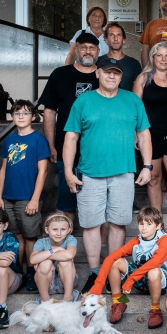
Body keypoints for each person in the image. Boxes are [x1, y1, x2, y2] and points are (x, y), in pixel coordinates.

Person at [63, 57, 153, 293]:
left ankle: (113, 269)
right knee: (91, 224)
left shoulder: (132, 100)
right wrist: (68, 171)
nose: (111, 76)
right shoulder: (84, 101)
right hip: (90, 172)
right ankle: (95, 273)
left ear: (121, 77)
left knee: (118, 223)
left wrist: (147, 166)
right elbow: (71, 137)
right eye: (107, 72)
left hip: (123, 172)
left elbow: (144, 135)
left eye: (116, 73)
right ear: (97, 73)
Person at [39, 32, 100, 216]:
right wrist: (50, 145)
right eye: (83, 47)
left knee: (97, 202)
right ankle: (66, 233)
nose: (87, 51)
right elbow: (49, 112)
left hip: (97, 148)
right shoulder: (60, 74)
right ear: (76, 50)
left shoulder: (105, 76)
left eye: (92, 48)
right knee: (67, 200)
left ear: (98, 51)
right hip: (64, 145)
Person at [88, 207, 167, 330]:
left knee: (153, 271)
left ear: (158, 226)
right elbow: (110, 258)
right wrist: (98, 285)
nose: (144, 228)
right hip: (141, 279)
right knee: (115, 261)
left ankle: (155, 309)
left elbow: (154, 263)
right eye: (141, 224)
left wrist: (130, 280)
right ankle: (118, 302)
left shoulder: (164, 240)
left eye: (149, 224)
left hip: (162, 281)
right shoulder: (137, 240)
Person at [0, 99, 50, 292]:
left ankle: (32, 273)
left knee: (30, 236)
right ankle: (18, 271)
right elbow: (3, 170)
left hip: (28, 197)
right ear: (12, 116)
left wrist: (35, 199)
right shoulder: (9, 140)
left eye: (25, 113)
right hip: (8, 197)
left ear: (33, 117)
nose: (20, 116)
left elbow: (43, 172)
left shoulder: (38, 140)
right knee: (15, 235)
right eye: (17, 113)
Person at [133, 42, 167, 235]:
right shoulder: (143, 79)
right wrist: (135, 135)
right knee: (154, 178)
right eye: (159, 55)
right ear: (152, 57)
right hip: (149, 136)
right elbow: (135, 108)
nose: (163, 59)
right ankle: (158, 221)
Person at [30, 212, 79, 304]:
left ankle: (68, 297)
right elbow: (32, 260)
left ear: (69, 230)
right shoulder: (41, 242)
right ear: (47, 230)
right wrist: (55, 249)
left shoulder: (70, 239)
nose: (59, 233)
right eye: (55, 229)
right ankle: (44, 299)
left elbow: (69, 255)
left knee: (65, 261)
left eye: (63, 229)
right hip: (47, 284)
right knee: (45, 264)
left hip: (65, 282)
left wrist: (43, 256)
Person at [97, 23, 142, 90]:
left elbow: (138, 91)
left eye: (119, 35)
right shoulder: (98, 62)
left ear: (124, 39)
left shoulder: (134, 64)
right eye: (111, 35)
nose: (115, 39)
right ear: (106, 39)